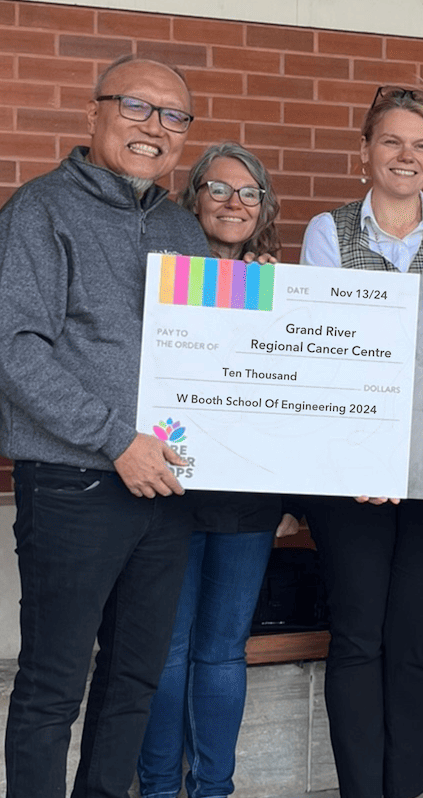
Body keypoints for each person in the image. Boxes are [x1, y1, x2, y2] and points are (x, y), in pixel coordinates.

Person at [0, 55, 209, 798]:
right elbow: (9, 342)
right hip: (74, 485)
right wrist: (116, 440)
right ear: (95, 112)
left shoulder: (182, 229)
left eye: (174, 117)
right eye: (137, 107)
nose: (154, 128)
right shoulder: (38, 212)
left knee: (134, 680)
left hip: (166, 488)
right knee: (53, 686)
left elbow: (211, 362)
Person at [297, 85, 423, 798]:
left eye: (421, 144)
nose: (406, 155)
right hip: (351, 469)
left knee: (413, 641)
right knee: (356, 637)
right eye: (391, 141)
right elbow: (332, 344)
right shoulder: (328, 229)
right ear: (366, 152)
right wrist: (371, 448)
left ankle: (406, 788)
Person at [135, 142, 299, 798]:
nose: (235, 203)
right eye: (219, 189)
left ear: (263, 210)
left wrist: (293, 498)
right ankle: (155, 789)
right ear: (192, 197)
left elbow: (293, 397)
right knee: (168, 651)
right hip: (165, 486)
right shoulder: (159, 276)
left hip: (248, 495)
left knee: (223, 649)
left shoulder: (281, 288)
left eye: (249, 193)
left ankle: (211, 790)